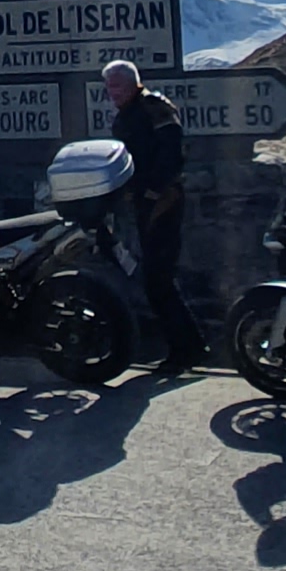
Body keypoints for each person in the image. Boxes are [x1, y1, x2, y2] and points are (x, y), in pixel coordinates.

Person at [98, 57, 197, 373]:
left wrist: (155, 188)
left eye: (116, 85)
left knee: (159, 279)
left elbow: (173, 149)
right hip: (142, 202)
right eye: (108, 86)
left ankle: (185, 350)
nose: (112, 91)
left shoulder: (154, 106)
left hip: (163, 201)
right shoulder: (125, 116)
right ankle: (190, 345)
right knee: (157, 279)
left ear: (132, 83)